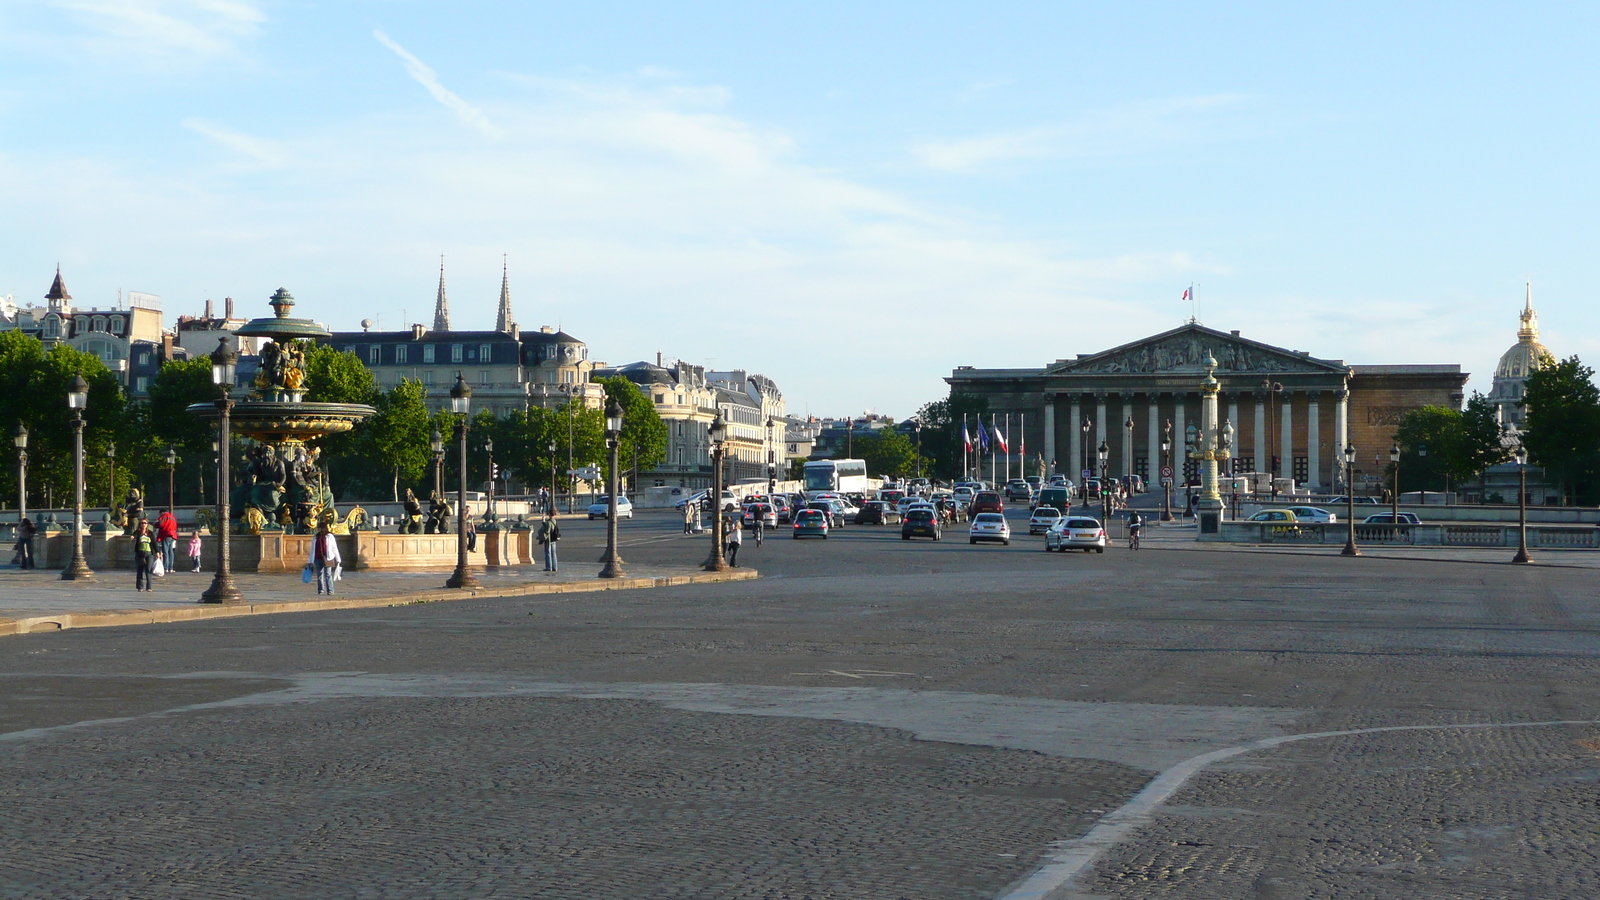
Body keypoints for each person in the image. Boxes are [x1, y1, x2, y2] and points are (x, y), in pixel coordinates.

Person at [310, 521, 340, 595]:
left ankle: (330, 590)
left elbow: (334, 548)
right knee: (319, 574)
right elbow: (312, 549)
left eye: (319, 528)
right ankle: (320, 589)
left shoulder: (329, 536)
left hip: (328, 557)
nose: (318, 529)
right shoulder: (316, 537)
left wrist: (338, 558)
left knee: (328, 574)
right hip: (318, 557)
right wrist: (310, 560)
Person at [132, 519, 155, 592]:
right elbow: (134, 535)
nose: (143, 524)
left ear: (147, 524)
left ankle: (149, 587)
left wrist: (157, 552)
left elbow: (154, 543)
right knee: (140, 570)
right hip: (140, 553)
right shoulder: (138, 532)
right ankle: (140, 586)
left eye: (145, 523)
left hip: (149, 553)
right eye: (142, 523)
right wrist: (133, 537)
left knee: (148, 570)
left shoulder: (150, 533)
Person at [156, 509, 179, 574]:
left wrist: (155, 524)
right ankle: (170, 567)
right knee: (170, 551)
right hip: (172, 535)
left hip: (166, 534)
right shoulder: (172, 517)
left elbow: (160, 524)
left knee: (165, 551)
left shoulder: (164, 516)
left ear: (162, 512)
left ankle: (165, 567)